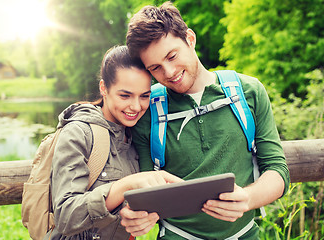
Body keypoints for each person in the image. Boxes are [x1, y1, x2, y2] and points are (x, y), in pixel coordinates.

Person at [120, 2, 290, 239]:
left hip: (244, 234)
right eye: (156, 68)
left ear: (190, 38)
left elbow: (277, 171)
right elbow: (147, 189)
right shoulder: (148, 110)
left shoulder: (249, 91)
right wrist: (135, 215)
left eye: (172, 56)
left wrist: (248, 199)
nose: (168, 72)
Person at [43, 45, 182, 240]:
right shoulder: (78, 133)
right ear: (103, 88)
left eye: (144, 96)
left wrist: (146, 218)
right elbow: (66, 216)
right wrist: (124, 186)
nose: (135, 107)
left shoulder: (139, 132)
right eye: (125, 95)